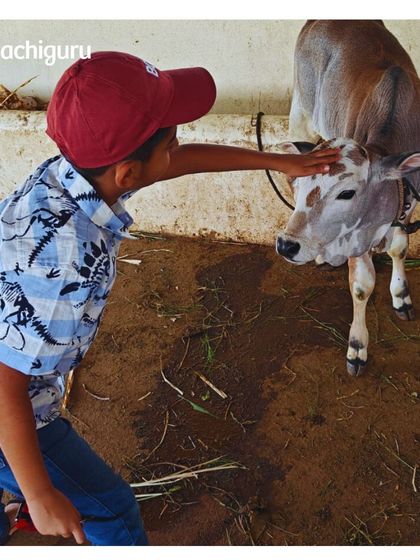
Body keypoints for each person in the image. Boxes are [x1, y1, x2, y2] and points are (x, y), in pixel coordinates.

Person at [0, 51, 340, 546]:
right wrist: (38, 493)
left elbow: (173, 162)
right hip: (14, 410)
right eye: (172, 138)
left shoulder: (68, 174)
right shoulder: (64, 265)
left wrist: (278, 161)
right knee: (112, 512)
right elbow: (6, 385)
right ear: (128, 174)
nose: (178, 146)